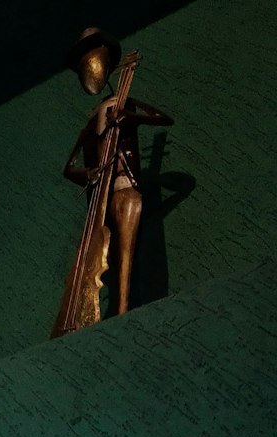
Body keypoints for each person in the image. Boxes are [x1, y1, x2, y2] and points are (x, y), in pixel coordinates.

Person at [55, 27, 173, 325]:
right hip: (101, 195)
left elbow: (163, 118)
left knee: (126, 252)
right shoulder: (93, 119)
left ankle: (122, 309)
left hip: (124, 185)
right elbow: (69, 167)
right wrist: (89, 172)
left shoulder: (123, 103)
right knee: (98, 259)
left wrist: (128, 117)